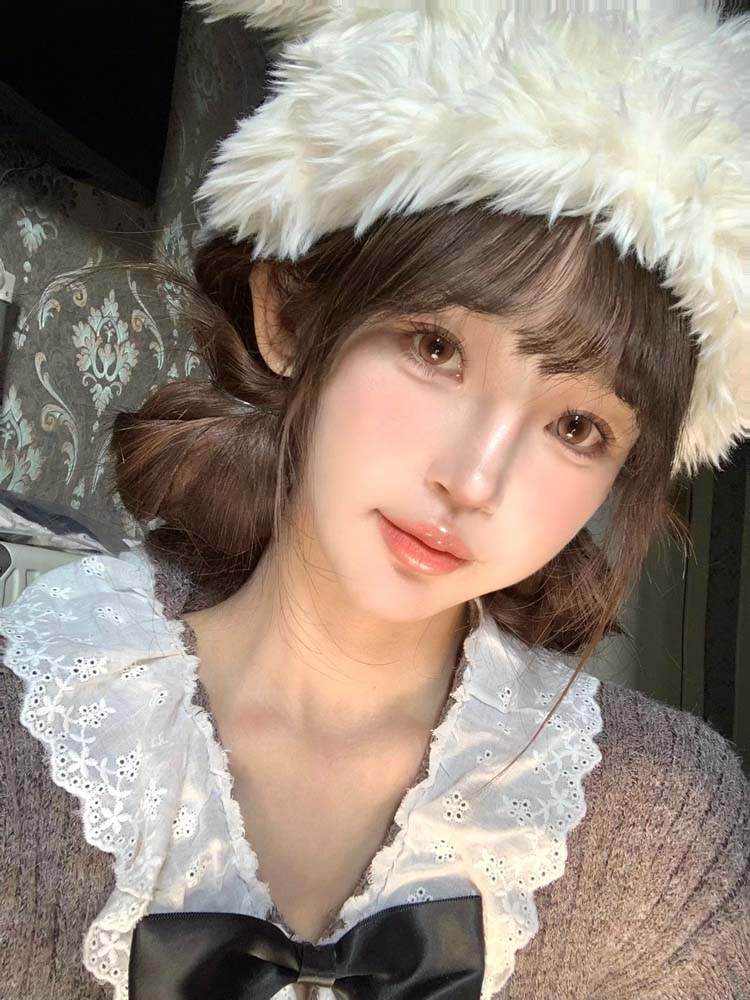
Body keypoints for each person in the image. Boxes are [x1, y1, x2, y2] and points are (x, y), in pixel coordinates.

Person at [1, 2, 748, 998]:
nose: (473, 482)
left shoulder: (662, 827)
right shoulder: (30, 733)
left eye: (578, 427)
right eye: (436, 348)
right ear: (290, 316)